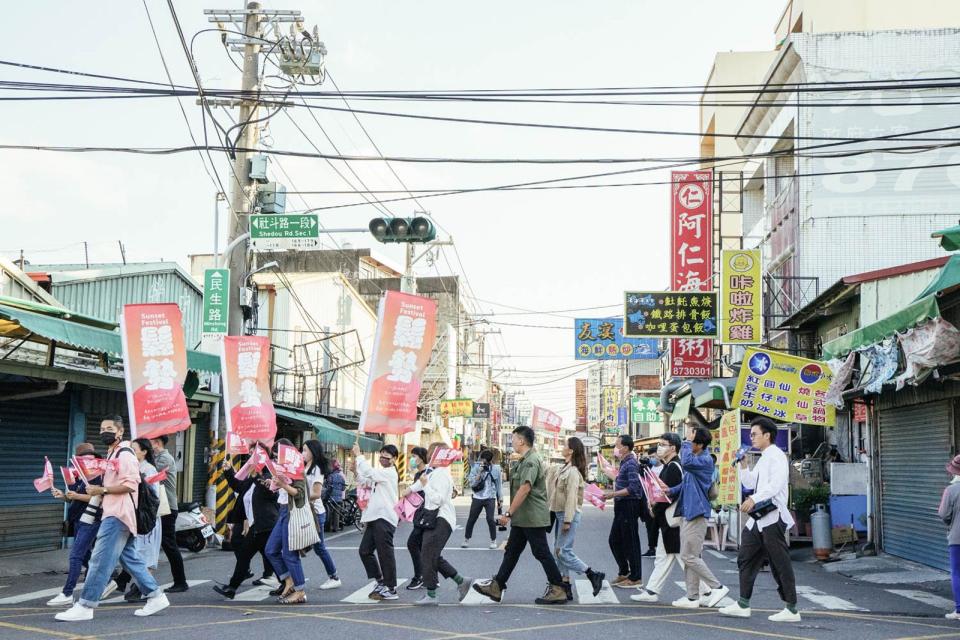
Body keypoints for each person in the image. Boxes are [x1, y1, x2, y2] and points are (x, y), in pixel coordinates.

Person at [55, 416, 170, 621]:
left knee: (100, 560)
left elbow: (131, 484)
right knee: (131, 559)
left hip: (118, 514)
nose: (104, 431)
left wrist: (103, 489)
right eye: (101, 428)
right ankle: (156, 596)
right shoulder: (112, 453)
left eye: (109, 428)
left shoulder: (125, 453)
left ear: (120, 432)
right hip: (115, 513)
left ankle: (85, 605)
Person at [473, 426, 567, 605]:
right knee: (512, 552)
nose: (512, 441)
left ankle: (558, 588)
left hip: (531, 517)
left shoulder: (531, 460)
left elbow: (525, 488)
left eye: (514, 438)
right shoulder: (524, 460)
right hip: (523, 518)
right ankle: (497, 586)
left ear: (522, 441)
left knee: (541, 552)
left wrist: (508, 514)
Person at [720, 417, 799, 622]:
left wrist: (754, 498)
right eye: (751, 434)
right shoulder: (764, 457)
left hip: (773, 517)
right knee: (745, 557)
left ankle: (791, 609)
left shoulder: (777, 456)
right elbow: (750, 481)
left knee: (779, 562)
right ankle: (743, 603)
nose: (751, 437)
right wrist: (744, 465)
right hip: (758, 520)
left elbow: (775, 486)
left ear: (767, 435)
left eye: (754, 433)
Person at [661, 424, 729, 610]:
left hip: (697, 513)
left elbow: (686, 462)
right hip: (688, 511)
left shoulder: (705, 460)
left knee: (688, 555)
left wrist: (686, 441)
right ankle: (692, 597)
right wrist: (670, 490)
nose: (688, 444)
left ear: (699, 444)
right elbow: (686, 484)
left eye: (691, 441)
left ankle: (717, 587)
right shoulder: (698, 458)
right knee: (690, 555)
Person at [406, 443, 474, 605]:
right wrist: (409, 490)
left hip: (441, 518)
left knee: (428, 553)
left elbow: (439, 500)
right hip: (433, 519)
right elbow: (420, 483)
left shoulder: (442, 473)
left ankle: (432, 594)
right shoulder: (432, 471)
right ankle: (461, 581)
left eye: (432, 451)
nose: (429, 454)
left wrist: (425, 486)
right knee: (430, 553)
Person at [213, 453, 279, 599]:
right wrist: (228, 470)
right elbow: (238, 486)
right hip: (256, 526)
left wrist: (258, 478)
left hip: (267, 526)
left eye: (253, 460)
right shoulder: (251, 480)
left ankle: (287, 583)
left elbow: (272, 494)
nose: (250, 463)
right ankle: (232, 588)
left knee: (272, 557)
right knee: (244, 556)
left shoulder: (268, 477)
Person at [47, 444, 104, 607]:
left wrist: (77, 496)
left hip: (92, 518)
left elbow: (99, 498)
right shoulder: (76, 476)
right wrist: (63, 496)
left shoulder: (99, 475)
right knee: (86, 555)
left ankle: (67, 593)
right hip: (78, 519)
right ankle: (103, 578)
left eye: (91, 458)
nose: (89, 461)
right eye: (85, 458)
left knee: (75, 555)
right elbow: (72, 498)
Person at [550, 436, 605, 599]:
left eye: (565, 445)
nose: (562, 447)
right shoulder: (565, 468)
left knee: (563, 552)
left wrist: (567, 520)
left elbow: (572, 498)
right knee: (558, 550)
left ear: (571, 450)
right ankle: (565, 584)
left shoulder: (573, 472)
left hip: (568, 515)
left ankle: (592, 574)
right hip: (560, 514)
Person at [632, 432, 685, 604]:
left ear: (673, 448)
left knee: (684, 558)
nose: (660, 447)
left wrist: (655, 509)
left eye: (663, 444)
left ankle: (709, 590)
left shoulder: (674, 467)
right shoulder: (668, 467)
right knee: (666, 556)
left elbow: (668, 496)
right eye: (660, 444)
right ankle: (652, 590)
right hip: (668, 520)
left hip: (673, 520)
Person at [114, 439, 163, 603]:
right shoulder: (132, 467)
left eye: (134, 449)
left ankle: (144, 589)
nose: (130, 453)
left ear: (144, 452)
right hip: (131, 518)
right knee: (135, 555)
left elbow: (152, 498)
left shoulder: (149, 470)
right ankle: (141, 587)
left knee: (146, 556)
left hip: (145, 519)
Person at [264, 439, 310, 605]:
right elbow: (284, 491)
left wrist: (282, 483)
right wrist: (274, 483)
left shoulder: (297, 467)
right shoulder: (283, 467)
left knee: (290, 555)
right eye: (275, 457)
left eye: (278, 456)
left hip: (292, 514)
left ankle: (300, 591)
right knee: (270, 550)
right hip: (283, 511)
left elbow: (298, 493)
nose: (276, 459)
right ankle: (289, 581)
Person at [353, 442, 400, 601]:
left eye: (387, 455)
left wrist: (359, 455)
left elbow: (369, 472)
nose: (383, 457)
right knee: (364, 551)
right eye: (381, 454)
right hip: (374, 517)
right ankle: (380, 580)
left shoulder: (390, 473)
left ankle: (391, 588)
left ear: (394, 459)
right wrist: (355, 472)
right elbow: (366, 481)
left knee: (385, 553)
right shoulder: (381, 473)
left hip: (385, 517)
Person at [603, 435, 644, 589]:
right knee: (614, 540)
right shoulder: (625, 462)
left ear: (626, 447)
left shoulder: (632, 463)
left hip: (629, 505)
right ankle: (624, 571)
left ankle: (635, 577)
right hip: (621, 506)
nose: (616, 447)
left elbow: (634, 488)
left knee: (631, 542)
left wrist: (613, 494)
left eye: (618, 445)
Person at [149, 435, 188, 593]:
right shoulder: (158, 457)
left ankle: (181, 581)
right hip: (159, 507)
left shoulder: (164, 459)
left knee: (169, 544)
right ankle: (123, 581)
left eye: (149, 443)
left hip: (167, 508)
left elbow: (149, 475)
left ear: (157, 443)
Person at [303, 440, 341, 590]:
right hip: (305, 511)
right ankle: (291, 577)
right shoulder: (305, 467)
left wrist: (298, 496)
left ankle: (334, 576)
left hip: (315, 513)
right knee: (294, 546)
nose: (302, 453)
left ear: (313, 451)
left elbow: (317, 493)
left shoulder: (317, 469)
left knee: (319, 547)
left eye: (305, 450)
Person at [463, 449, 503, 550]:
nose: (483, 463)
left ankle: (493, 540)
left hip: (490, 497)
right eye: (482, 460)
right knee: (472, 518)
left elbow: (499, 485)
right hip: (477, 497)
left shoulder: (496, 469)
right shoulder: (476, 467)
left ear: (490, 461)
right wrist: (479, 474)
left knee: (490, 519)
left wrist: (500, 499)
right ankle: (466, 539)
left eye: (485, 461)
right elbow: (471, 483)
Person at [405, 447, 430, 591]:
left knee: (413, 544)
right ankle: (429, 577)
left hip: (424, 515)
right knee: (422, 547)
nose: (412, 459)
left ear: (421, 457)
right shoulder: (419, 474)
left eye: (414, 456)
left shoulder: (425, 474)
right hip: (419, 514)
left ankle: (419, 577)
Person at [941, 455, 960, 621]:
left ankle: (959, 610)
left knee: (957, 573)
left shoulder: (951, 490)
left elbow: (944, 514)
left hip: (957, 538)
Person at [641, 445, 661, 557]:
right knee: (650, 526)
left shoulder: (665, 468)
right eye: (650, 457)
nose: (651, 459)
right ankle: (651, 548)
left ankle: (661, 548)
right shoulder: (648, 468)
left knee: (660, 526)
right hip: (650, 500)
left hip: (661, 501)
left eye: (653, 456)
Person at [322, 460, 346, 532]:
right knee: (337, 513)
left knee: (329, 513)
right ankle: (336, 527)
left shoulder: (330, 476)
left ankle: (329, 527)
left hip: (331, 497)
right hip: (339, 498)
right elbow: (343, 488)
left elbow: (328, 487)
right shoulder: (341, 477)